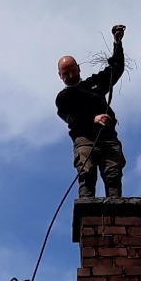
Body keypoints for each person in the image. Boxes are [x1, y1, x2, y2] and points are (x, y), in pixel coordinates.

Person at [56, 25, 126, 199]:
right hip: (84, 139)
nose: (70, 75)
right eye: (66, 73)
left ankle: (114, 213)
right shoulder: (63, 98)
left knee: (113, 174)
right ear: (60, 76)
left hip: (107, 136)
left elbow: (115, 70)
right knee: (87, 175)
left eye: (73, 70)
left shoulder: (94, 85)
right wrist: (92, 119)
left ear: (78, 68)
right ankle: (87, 215)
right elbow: (70, 117)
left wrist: (117, 43)